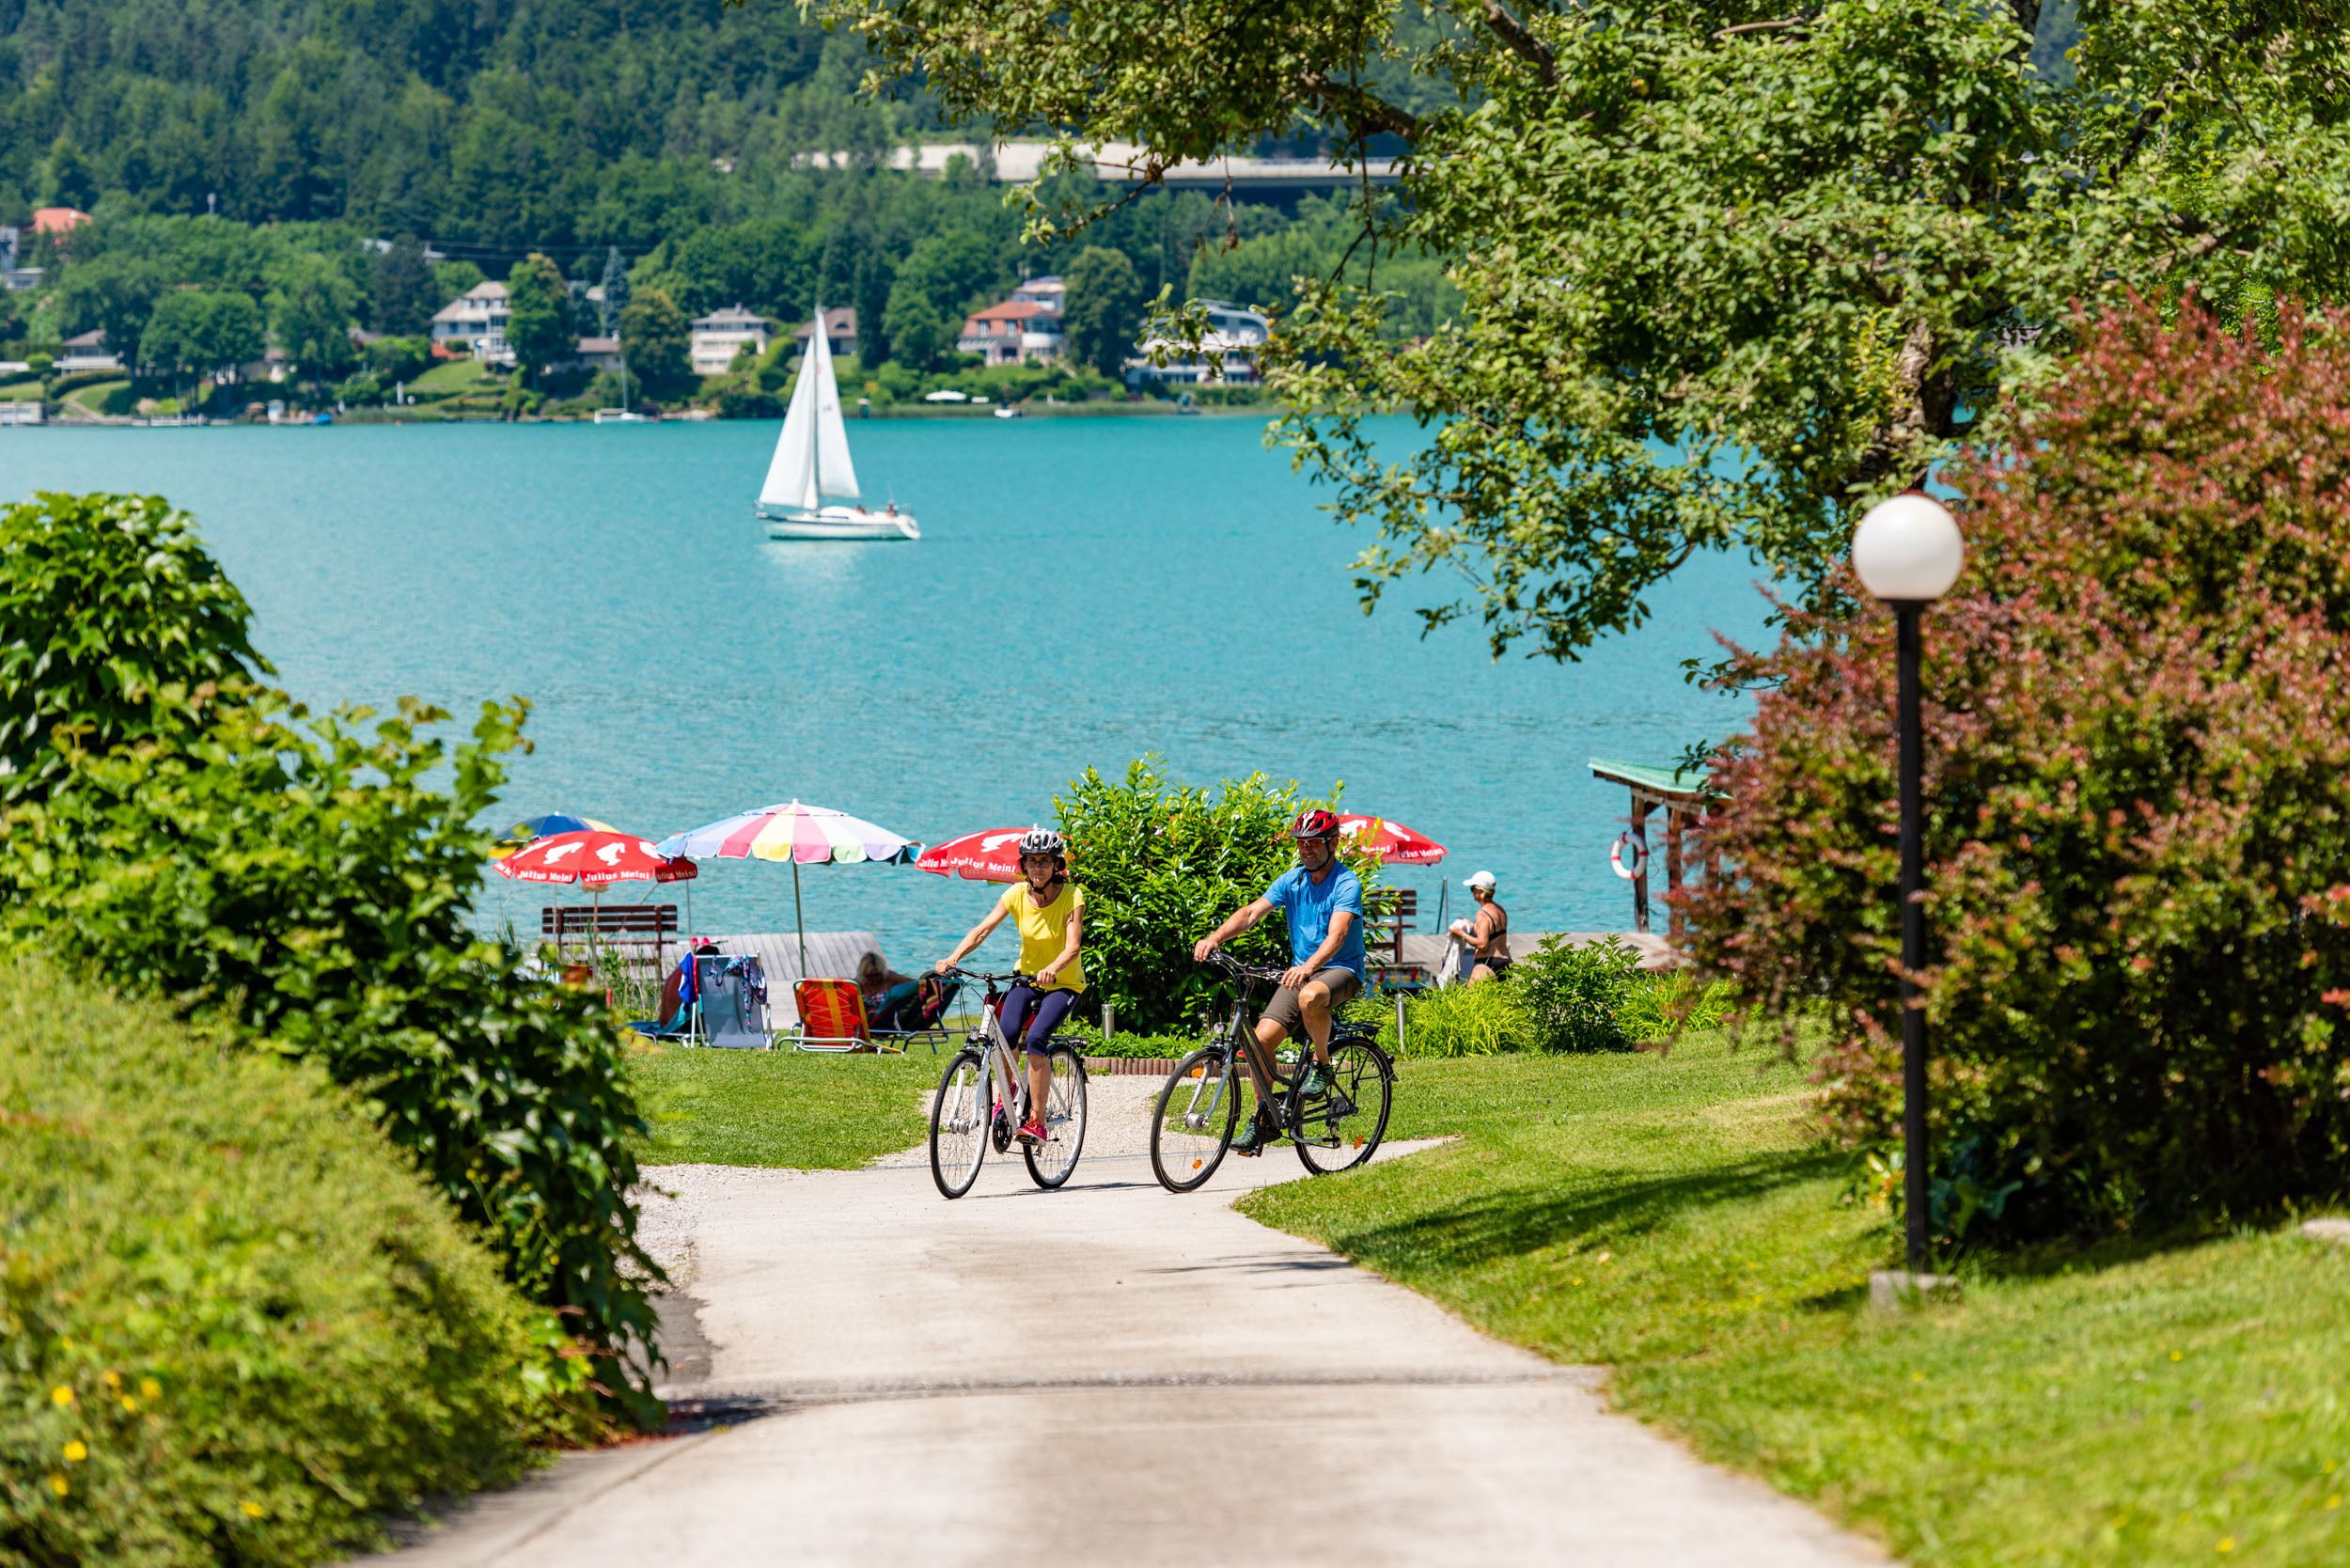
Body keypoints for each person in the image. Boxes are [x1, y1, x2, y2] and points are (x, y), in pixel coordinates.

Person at [1191, 808, 1365, 1154]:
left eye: (1314, 843)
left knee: (1310, 996)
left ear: (1333, 844)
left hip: (1341, 970)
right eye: (1301, 843)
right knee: (1260, 1042)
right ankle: (1264, 1118)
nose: (1306, 849)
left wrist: (1309, 966)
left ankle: (1322, 1065)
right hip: (1302, 972)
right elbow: (1251, 913)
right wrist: (1215, 938)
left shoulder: (1347, 883)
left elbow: (1338, 934)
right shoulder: (1292, 881)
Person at [934, 827, 1086, 1146]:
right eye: (1031, 861)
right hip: (1027, 978)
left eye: (1044, 861)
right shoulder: (1016, 894)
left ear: (1056, 865)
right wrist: (953, 957)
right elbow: (982, 930)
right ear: (1024, 865)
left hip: (1064, 983)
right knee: (1005, 1034)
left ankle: (1037, 1122)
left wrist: (1053, 968)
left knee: (1038, 1039)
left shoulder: (1072, 896)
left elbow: (1073, 946)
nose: (1038, 868)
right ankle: (1010, 1089)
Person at [1449, 870, 1512, 981]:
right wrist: (1472, 925)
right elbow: (1492, 933)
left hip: (1488, 963)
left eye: (1472, 888)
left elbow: (1483, 945)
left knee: (1474, 992)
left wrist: (1461, 933)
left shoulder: (1482, 914)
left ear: (1480, 890)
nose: (1472, 892)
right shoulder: (1500, 910)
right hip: (1505, 962)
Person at [856, 950, 919, 1028]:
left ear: (882, 971)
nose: (875, 978)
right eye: (870, 976)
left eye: (878, 974)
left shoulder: (890, 977)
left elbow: (915, 984)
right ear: (863, 974)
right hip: (866, 1023)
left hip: (887, 1021)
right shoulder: (858, 984)